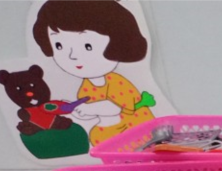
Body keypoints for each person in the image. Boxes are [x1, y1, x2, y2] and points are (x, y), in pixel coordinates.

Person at [32, 0, 156, 146]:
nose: (72, 56)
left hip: (135, 127)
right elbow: (91, 112)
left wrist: (90, 108)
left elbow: (116, 107)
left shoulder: (117, 82)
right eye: (59, 46)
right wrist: (79, 111)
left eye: (88, 46)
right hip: (111, 129)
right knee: (96, 137)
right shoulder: (86, 87)